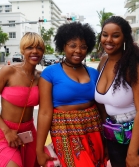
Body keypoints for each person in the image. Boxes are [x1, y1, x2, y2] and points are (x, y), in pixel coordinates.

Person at [95, 16, 139, 167]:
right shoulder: (103, 62)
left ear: (125, 38)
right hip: (115, 134)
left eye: (115, 35)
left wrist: (132, 153)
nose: (108, 40)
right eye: (104, 34)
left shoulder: (134, 66)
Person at [36, 22, 106, 167]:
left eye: (83, 46)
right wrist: (39, 149)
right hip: (65, 131)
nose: (78, 50)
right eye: (72, 45)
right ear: (63, 46)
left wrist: (107, 137)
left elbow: (101, 107)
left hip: (94, 130)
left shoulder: (93, 73)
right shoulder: (50, 73)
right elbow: (44, 112)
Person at [0, 32, 45, 167]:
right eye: (30, 47)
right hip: (5, 132)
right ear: (23, 50)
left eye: (39, 48)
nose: (35, 51)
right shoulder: (8, 71)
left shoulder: (41, 78)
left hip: (29, 134)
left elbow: (47, 109)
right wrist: (7, 131)